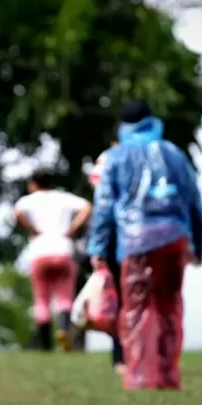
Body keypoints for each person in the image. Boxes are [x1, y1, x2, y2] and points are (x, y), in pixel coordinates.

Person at [87, 100, 202, 390]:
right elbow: (194, 201)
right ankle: (167, 375)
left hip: (135, 240)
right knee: (169, 304)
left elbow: (104, 206)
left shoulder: (116, 157)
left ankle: (140, 375)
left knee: (137, 308)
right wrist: (199, 244)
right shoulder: (174, 154)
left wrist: (98, 247)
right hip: (174, 239)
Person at [14, 168, 92, 352]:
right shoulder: (63, 198)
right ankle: (64, 332)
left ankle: (45, 344)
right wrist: (72, 228)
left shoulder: (28, 200)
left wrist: (31, 229)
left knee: (42, 299)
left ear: (33, 184)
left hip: (40, 251)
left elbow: (17, 213)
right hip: (63, 249)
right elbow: (87, 207)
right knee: (65, 298)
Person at [89, 143, 126, 374]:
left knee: (120, 300)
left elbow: (102, 202)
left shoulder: (108, 158)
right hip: (151, 235)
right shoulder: (157, 154)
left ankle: (121, 358)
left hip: (116, 235)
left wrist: (98, 247)